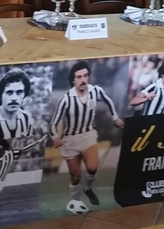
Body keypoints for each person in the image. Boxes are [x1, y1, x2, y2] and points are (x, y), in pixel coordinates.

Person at [50, 61, 125, 209]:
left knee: (92, 168)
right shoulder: (66, 99)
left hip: (88, 135)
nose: (83, 79)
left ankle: (88, 189)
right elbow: (54, 123)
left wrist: (115, 117)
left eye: (85, 76)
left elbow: (108, 101)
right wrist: (56, 137)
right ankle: (76, 202)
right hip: (70, 140)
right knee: (75, 176)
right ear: (73, 80)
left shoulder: (95, 91)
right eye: (79, 77)